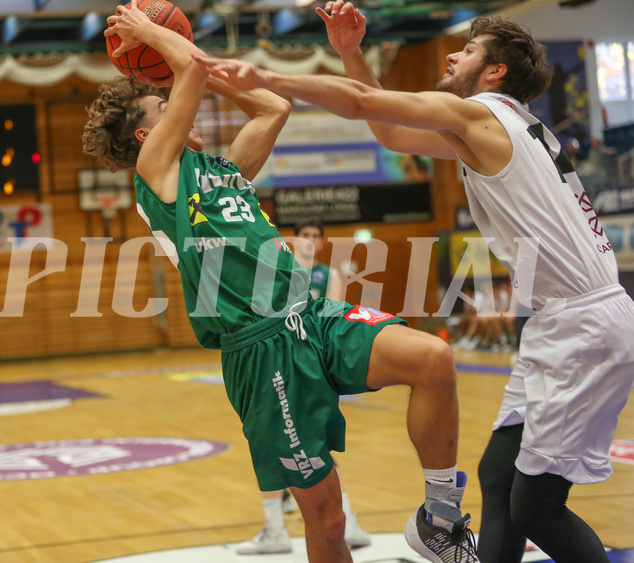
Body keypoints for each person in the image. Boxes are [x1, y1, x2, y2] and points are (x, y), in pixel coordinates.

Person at [193, 3, 634, 562]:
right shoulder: (498, 126)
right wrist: (351, 52)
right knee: (497, 477)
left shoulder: (483, 113)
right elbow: (392, 133)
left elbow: (360, 105)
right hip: (561, 320)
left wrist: (265, 77)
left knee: (537, 507)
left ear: (496, 72)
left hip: (584, 324)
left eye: (471, 50)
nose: (454, 52)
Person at [82, 3, 478, 563]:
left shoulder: (221, 169)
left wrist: (201, 63)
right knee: (328, 518)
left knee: (433, 360)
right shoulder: (157, 171)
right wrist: (155, 39)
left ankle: (439, 518)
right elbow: (189, 73)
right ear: (147, 132)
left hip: (310, 316)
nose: (178, 105)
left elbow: (272, 106)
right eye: (163, 103)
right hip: (260, 348)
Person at [237, 219, 370, 555]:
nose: (310, 240)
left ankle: (337, 521)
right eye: (304, 235)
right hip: (278, 358)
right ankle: (285, 526)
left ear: (322, 242)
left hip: (309, 364)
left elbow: (332, 316)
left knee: (307, 446)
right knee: (280, 442)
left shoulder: (328, 276)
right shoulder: (276, 267)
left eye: (315, 236)